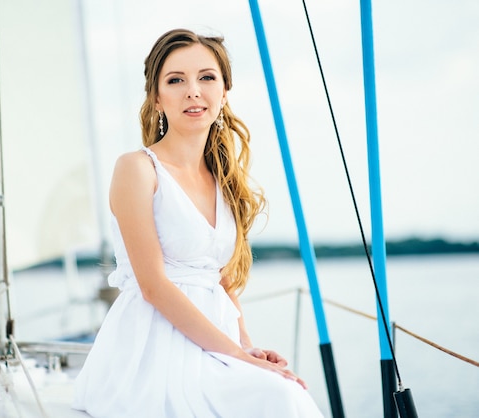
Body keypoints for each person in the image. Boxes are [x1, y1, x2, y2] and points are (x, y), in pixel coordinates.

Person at [72, 28, 323, 418]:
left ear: (224, 93)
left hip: (213, 343)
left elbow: (217, 279)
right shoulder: (138, 169)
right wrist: (238, 356)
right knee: (282, 400)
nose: (193, 90)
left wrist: (247, 345)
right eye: (176, 80)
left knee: (287, 395)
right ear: (157, 98)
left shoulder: (222, 177)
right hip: (153, 348)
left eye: (206, 77)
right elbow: (154, 287)